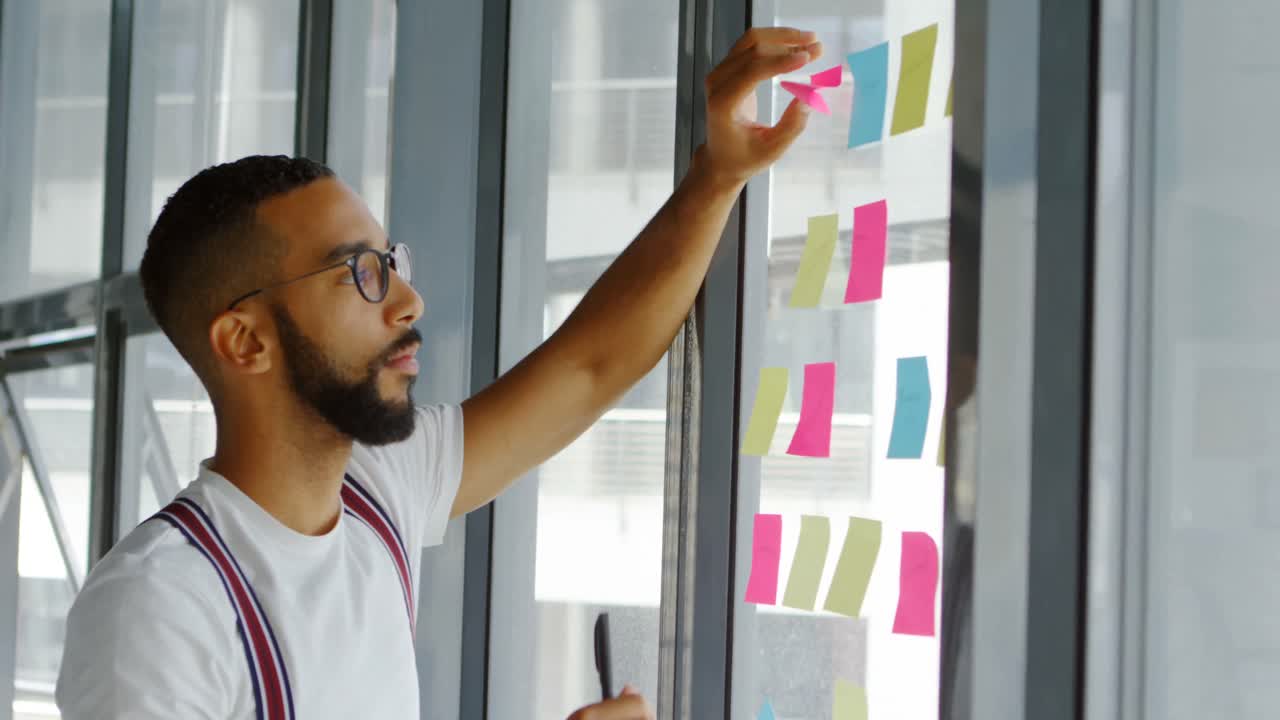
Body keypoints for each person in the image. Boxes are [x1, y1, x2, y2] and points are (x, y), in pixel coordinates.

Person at [54, 27, 822, 720]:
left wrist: (715, 179)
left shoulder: (379, 486)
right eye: (360, 273)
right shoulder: (158, 610)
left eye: (392, 263)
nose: (409, 301)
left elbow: (592, 366)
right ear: (246, 341)